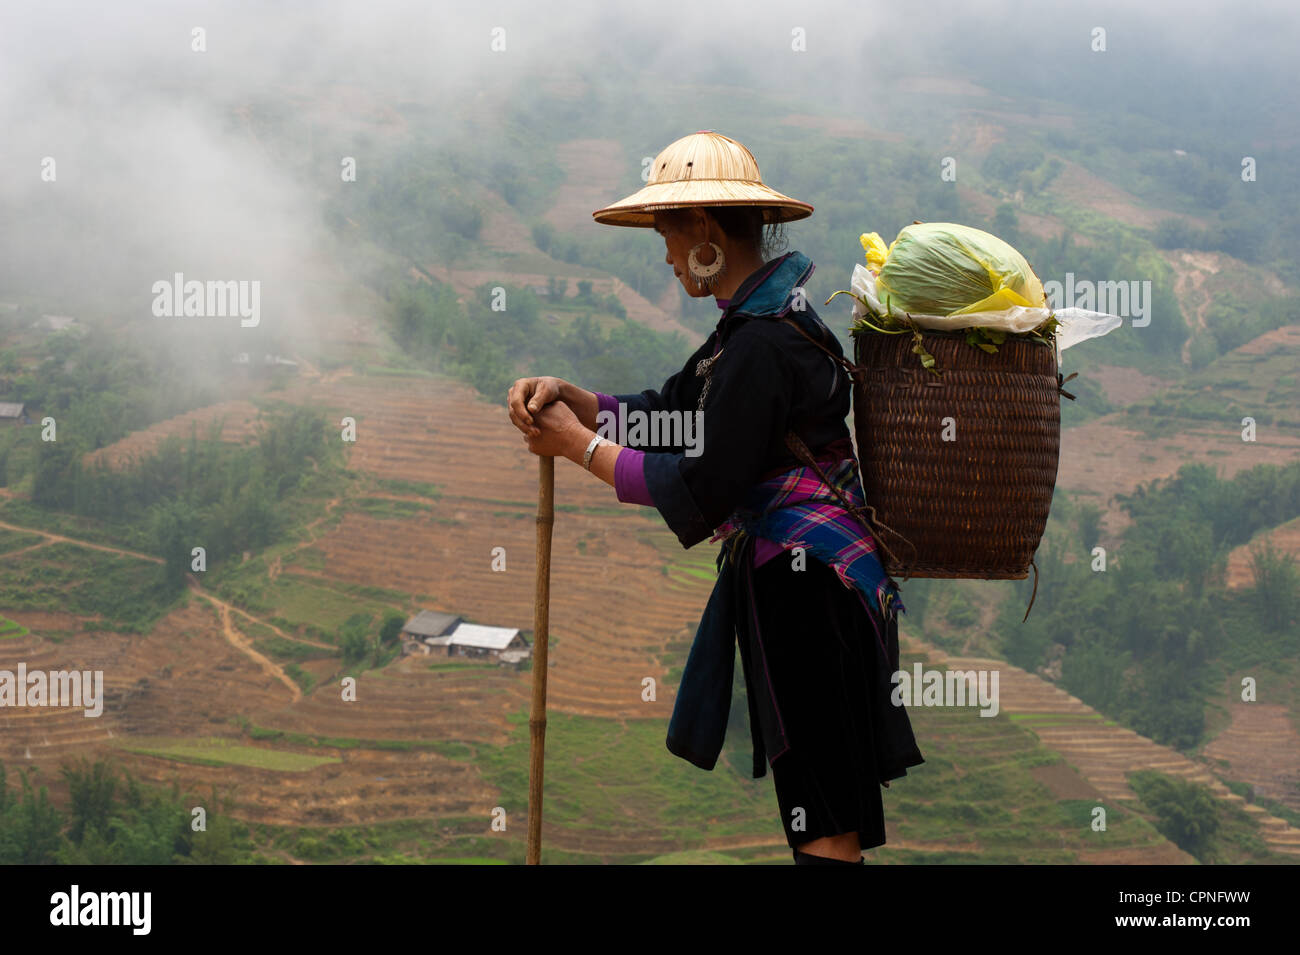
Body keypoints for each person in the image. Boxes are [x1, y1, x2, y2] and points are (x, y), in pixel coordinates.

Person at [506, 131, 923, 865]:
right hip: (823, 584)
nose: (666, 257)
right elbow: (675, 413)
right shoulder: (760, 329)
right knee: (824, 804)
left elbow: (698, 484)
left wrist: (577, 445)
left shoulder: (761, 345)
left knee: (821, 814)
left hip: (805, 591)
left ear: (703, 231)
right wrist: (581, 400)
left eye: (668, 234)